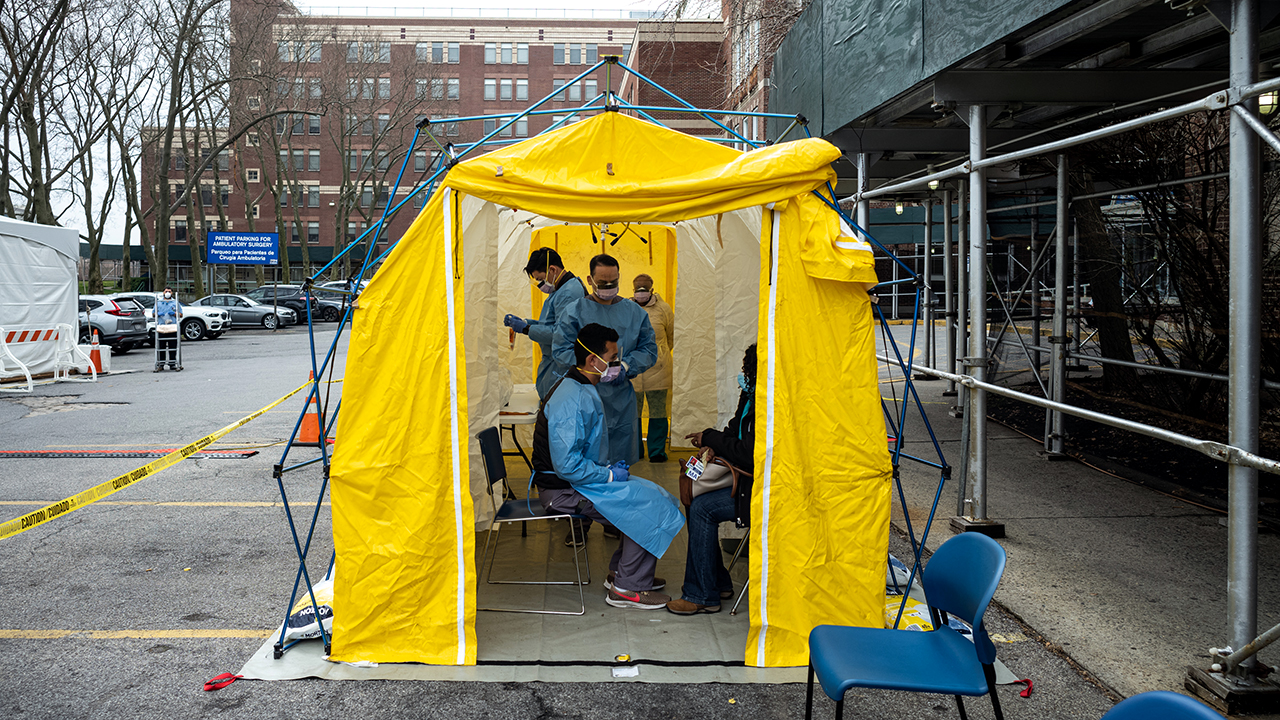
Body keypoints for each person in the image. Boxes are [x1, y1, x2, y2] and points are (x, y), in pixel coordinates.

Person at [532, 323, 685, 610]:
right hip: (563, 491)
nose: (616, 364)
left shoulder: (577, 385)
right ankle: (627, 589)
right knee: (645, 506)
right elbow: (566, 465)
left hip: (579, 481)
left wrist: (608, 469)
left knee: (656, 494)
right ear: (593, 360)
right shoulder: (572, 397)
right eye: (613, 358)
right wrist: (609, 474)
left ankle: (623, 573)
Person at [667, 344, 757, 615]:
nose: (744, 376)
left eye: (748, 371)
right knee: (692, 497)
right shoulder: (751, 395)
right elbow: (733, 431)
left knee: (703, 508)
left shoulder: (772, 402)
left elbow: (750, 453)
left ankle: (701, 594)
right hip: (747, 480)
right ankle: (716, 583)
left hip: (767, 488)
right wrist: (714, 446)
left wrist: (709, 437)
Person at [552, 254, 657, 466]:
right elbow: (561, 349)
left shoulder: (635, 313)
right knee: (587, 458)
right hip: (583, 396)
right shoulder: (574, 312)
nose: (608, 286)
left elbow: (649, 349)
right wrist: (594, 367)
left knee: (619, 463)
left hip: (620, 399)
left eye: (613, 282)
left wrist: (626, 365)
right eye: (602, 283)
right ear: (590, 280)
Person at [503, 247, 586, 399]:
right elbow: (552, 323)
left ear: (552, 269)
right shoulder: (560, 290)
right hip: (554, 362)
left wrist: (527, 329)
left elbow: (561, 334)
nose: (541, 285)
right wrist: (525, 322)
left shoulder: (569, 293)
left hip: (561, 365)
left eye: (541, 279)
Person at [631, 274, 674, 463]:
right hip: (633, 370)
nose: (641, 291)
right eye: (638, 288)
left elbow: (671, 337)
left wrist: (660, 354)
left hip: (659, 370)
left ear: (652, 288)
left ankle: (656, 451)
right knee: (632, 413)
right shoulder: (626, 308)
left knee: (658, 413)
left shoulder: (663, 309)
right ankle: (635, 450)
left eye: (644, 288)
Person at [154, 288, 183, 373]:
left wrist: (174, 314)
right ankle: (161, 364)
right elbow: (153, 314)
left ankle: (172, 363)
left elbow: (180, 314)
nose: (167, 293)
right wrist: (157, 314)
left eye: (169, 292)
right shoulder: (158, 303)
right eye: (166, 291)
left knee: (172, 346)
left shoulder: (175, 303)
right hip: (161, 327)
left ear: (172, 293)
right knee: (161, 347)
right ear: (163, 292)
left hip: (172, 327)